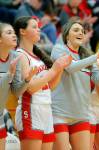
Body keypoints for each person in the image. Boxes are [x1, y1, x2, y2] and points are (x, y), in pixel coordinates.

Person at [50, 18, 99, 150]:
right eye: (76, 30)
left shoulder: (87, 56)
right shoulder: (58, 49)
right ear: (66, 35)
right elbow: (70, 67)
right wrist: (96, 56)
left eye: (82, 31)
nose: (80, 33)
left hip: (81, 114)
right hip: (60, 113)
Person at [13, 16, 72, 150]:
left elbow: (49, 87)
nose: (39, 30)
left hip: (45, 108)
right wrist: (55, 68)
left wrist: (60, 69)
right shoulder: (20, 55)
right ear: (22, 31)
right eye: (34, 27)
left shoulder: (37, 57)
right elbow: (31, 88)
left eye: (38, 27)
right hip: (30, 109)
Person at [0, 22, 35, 150]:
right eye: (9, 33)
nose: (14, 35)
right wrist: (9, 74)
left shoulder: (16, 57)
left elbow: (15, 91)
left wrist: (27, 80)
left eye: (14, 33)